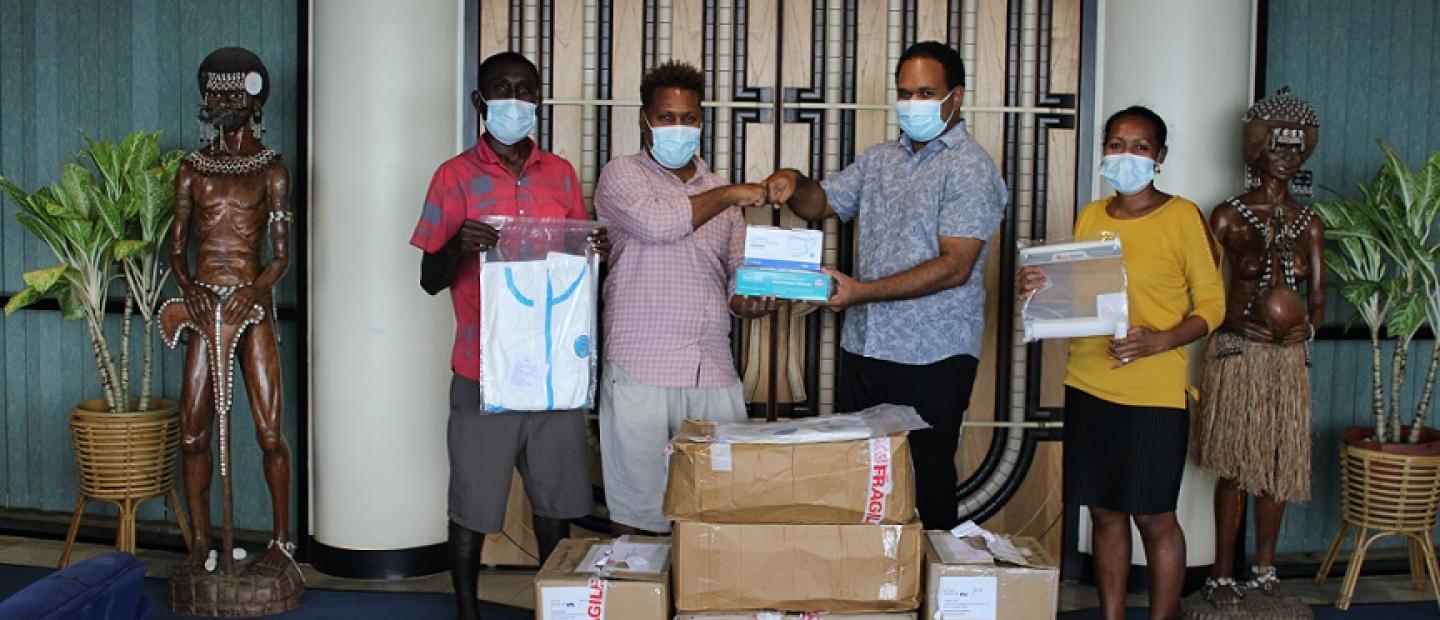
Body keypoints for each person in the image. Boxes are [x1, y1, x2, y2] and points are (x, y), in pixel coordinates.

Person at [761, 41, 1006, 530]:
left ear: (955, 96)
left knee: (927, 480)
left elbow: (955, 266)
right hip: (867, 347)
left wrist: (862, 292)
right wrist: (795, 182)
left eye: (926, 92)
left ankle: (924, 597)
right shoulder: (880, 160)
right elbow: (822, 203)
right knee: (863, 479)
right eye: (904, 93)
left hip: (933, 356)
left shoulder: (971, 168)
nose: (912, 103)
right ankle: (867, 590)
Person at [411, 51, 606, 620]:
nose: (514, 100)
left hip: (554, 370)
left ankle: (557, 604)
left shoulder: (562, 174)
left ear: (538, 102)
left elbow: (578, 263)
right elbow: (427, 279)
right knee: (472, 501)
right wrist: (457, 246)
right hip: (480, 367)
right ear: (480, 101)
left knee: (555, 499)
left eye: (525, 90)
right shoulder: (453, 176)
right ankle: (468, 611)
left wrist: (598, 253)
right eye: (502, 88)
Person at [1018, 105, 1225, 620]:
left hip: (1153, 392)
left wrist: (1163, 340)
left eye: (1139, 147)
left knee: (1154, 517)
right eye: (1116, 144)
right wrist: (1038, 289)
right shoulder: (1090, 215)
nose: (1125, 155)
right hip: (1088, 383)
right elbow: (1079, 294)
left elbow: (1213, 307)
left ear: (1160, 157)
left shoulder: (1182, 216)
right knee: (1104, 513)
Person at [593, 60, 773, 535]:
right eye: (667, 117)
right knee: (640, 514)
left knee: (720, 511)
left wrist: (748, 302)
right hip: (641, 368)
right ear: (644, 120)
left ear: (701, 120)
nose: (679, 128)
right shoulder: (621, 175)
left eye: (689, 118)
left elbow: (738, 274)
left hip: (711, 368)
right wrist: (733, 191)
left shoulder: (723, 195)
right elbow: (659, 223)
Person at [170, 47, 299, 585]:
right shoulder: (191, 170)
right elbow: (177, 248)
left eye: (234, 93)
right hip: (204, 306)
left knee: (270, 432)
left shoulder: (271, 169)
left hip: (253, 309)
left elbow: (281, 255)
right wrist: (190, 289)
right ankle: (201, 539)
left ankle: (279, 539)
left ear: (254, 100)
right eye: (215, 93)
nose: (223, 102)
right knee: (192, 433)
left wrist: (255, 289)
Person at [1194, 87, 1324, 607]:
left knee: (1278, 465)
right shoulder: (1226, 217)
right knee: (1235, 464)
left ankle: (1265, 571)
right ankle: (1222, 573)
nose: (1287, 158)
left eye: (1296, 149)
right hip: (1237, 353)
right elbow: (1202, 292)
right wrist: (1231, 322)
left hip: (1287, 359)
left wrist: (1306, 328)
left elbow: (1318, 302)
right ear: (1256, 148)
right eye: (1277, 147)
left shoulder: (1309, 223)